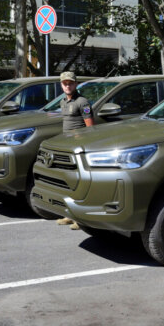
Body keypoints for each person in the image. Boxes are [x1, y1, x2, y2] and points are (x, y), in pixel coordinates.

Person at [55, 71, 94, 230]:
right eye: (65, 83)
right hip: (67, 147)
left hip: (79, 148)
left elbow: (90, 127)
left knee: (79, 183)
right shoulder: (63, 101)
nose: (67, 85)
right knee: (68, 182)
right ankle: (70, 214)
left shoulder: (82, 102)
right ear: (61, 85)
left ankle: (80, 218)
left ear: (76, 84)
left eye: (70, 83)